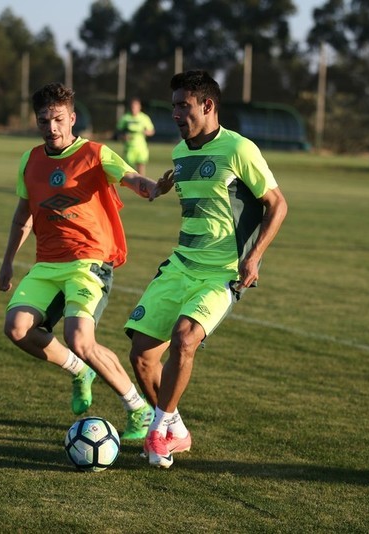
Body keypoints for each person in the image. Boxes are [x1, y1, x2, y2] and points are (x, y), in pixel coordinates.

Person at [124, 70, 289, 468]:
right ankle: (178, 430)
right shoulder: (180, 154)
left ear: (207, 106)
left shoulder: (239, 149)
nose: (177, 115)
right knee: (142, 357)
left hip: (223, 273)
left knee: (184, 339)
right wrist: (159, 187)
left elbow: (278, 204)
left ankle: (158, 431)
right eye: (174, 107)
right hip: (181, 265)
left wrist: (254, 257)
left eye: (184, 106)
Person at [0, 82, 162, 440]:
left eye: (58, 119)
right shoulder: (30, 160)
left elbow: (130, 176)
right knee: (16, 329)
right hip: (46, 264)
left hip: (89, 261)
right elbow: (22, 216)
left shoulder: (95, 153)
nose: (52, 128)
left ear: (72, 118)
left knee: (79, 338)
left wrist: (148, 185)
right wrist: (8, 261)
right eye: (44, 121)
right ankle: (79, 371)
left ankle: (138, 408)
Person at [116, 97, 155, 175]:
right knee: (129, 169)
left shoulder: (144, 118)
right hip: (129, 147)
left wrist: (146, 132)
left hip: (141, 147)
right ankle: (132, 184)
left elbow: (152, 131)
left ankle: (142, 184)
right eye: (132, 107)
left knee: (141, 167)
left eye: (135, 107)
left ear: (139, 107)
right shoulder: (125, 118)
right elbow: (118, 132)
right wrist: (123, 137)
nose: (133, 109)